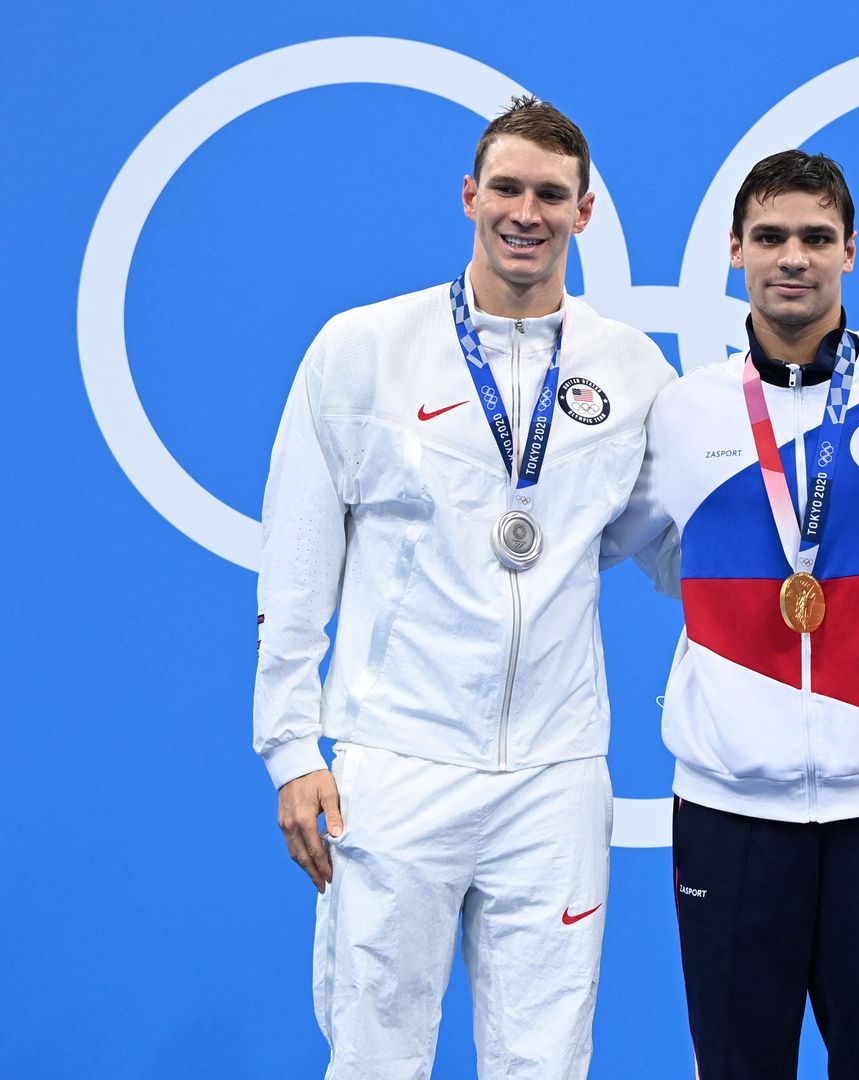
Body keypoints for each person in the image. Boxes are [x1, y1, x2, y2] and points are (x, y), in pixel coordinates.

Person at [254, 95, 675, 1078]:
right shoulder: (360, 352)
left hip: (555, 774)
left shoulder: (632, 370)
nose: (526, 213)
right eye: (508, 189)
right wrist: (288, 748)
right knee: (374, 1055)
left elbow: (676, 553)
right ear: (469, 196)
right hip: (395, 761)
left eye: (551, 195)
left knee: (547, 1059)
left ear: (586, 212)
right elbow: (298, 561)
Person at [601, 150, 859, 1079]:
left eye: (817, 238)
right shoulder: (684, 410)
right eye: (770, 237)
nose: (793, 258)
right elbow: (653, 548)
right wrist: (737, 634)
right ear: (735, 250)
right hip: (728, 812)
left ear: (851, 251)